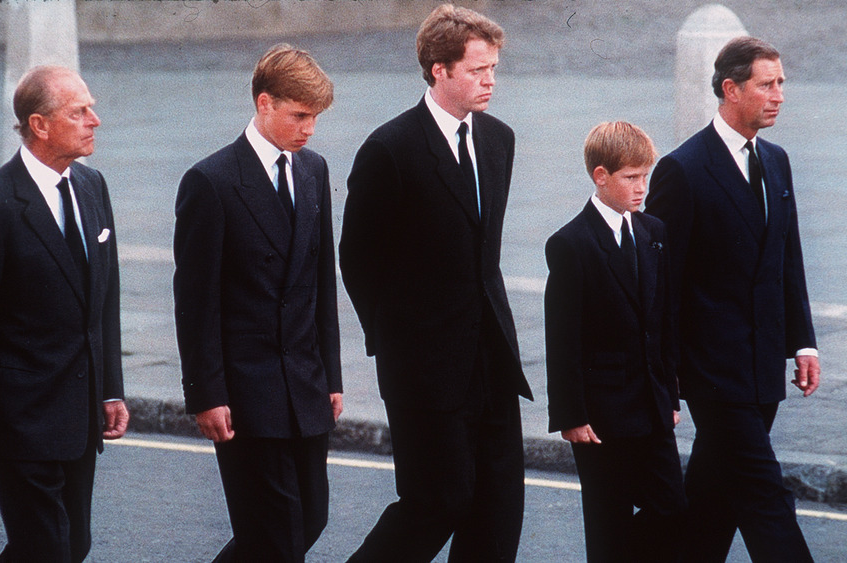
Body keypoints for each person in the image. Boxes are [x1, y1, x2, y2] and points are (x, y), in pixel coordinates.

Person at [339, 5, 533, 562]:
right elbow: (358, 261)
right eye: (477, 70)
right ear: (438, 70)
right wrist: (399, 342)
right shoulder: (390, 149)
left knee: (498, 514)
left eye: (494, 67)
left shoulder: (499, 139)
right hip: (423, 367)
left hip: (492, 358)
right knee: (437, 502)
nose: (490, 80)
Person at [0, 65, 129, 562]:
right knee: (47, 548)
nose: (95, 120)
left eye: (91, 107)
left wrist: (110, 388)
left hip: (80, 411)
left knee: (69, 544)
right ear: (39, 125)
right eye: (79, 111)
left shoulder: (91, 186)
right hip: (21, 416)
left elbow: (103, 300)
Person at [645, 36, 820, 562]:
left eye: (781, 83)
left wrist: (804, 343)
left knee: (712, 498)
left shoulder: (777, 161)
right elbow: (661, 284)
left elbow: (787, 257)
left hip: (764, 362)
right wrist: (664, 373)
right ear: (730, 89)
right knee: (765, 492)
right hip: (713, 371)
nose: (778, 95)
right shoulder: (684, 169)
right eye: (766, 85)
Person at [173, 44, 341, 563]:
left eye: (315, 117)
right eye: (300, 115)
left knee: (309, 518)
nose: (309, 128)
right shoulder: (212, 181)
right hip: (245, 391)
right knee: (276, 533)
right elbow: (195, 301)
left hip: (305, 383)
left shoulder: (313, 170)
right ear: (264, 102)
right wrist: (206, 393)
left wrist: (331, 376)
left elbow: (320, 283)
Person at [545, 122, 686, 562]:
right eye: (630, 177)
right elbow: (562, 337)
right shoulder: (571, 243)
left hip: (652, 406)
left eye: (645, 176)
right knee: (607, 523)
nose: (641, 187)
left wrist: (671, 396)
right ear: (600, 176)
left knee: (673, 511)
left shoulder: (654, 232)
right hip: (601, 416)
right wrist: (571, 415)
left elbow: (662, 323)